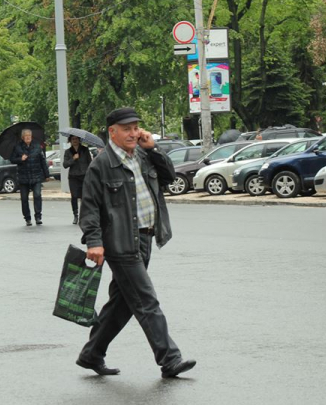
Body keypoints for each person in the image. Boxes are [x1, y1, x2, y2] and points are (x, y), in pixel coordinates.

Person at [76, 107, 196, 378]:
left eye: (135, 127)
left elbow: (169, 177)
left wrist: (153, 149)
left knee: (122, 303)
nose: (133, 133)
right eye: (126, 129)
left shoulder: (142, 155)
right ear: (112, 132)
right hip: (120, 243)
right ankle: (170, 359)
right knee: (145, 300)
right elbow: (90, 209)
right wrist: (94, 241)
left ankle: (91, 353)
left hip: (146, 238)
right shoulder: (101, 165)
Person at [10, 129, 50, 226]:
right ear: (23, 138)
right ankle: (27, 218)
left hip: (36, 176)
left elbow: (43, 161)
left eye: (29, 136)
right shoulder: (18, 147)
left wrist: (47, 174)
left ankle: (38, 216)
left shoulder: (37, 146)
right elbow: (12, 159)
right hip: (23, 177)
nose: (28, 137)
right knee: (24, 198)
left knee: (37, 195)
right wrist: (20, 159)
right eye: (26, 136)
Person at [62, 135, 92, 225]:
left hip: (84, 175)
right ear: (70, 141)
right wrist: (73, 159)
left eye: (76, 139)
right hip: (73, 177)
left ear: (79, 140)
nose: (75, 140)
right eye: (73, 139)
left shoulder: (85, 150)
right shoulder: (68, 152)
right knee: (74, 196)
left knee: (84, 196)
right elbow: (65, 164)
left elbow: (90, 163)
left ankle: (84, 215)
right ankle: (75, 215)